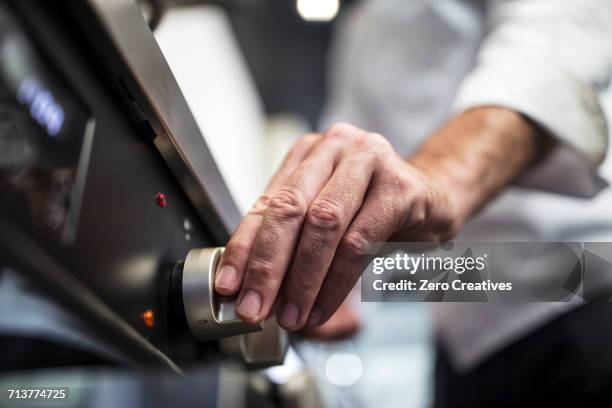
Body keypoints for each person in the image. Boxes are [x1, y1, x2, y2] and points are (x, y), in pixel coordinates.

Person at [213, 0, 612, 405]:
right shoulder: (361, 28)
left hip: (581, 288)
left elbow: (551, 48)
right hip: (464, 330)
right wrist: (329, 287)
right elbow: (361, 157)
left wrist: (441, 178)